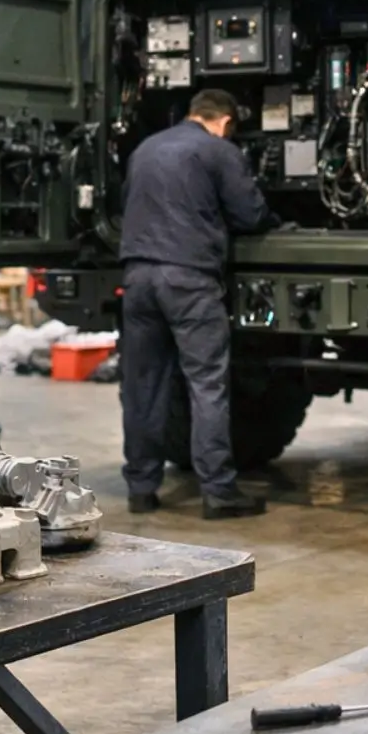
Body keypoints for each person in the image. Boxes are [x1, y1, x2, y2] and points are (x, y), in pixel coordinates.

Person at [118, 88, 278, 518]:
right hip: (188, 279)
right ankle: (219, 492)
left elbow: (128, 203)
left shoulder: (146, 148)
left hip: (138, 277)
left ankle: (141, 489)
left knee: (142, 386)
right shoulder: (219, 150)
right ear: (224, 122)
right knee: (207, 384)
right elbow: (249, 214)